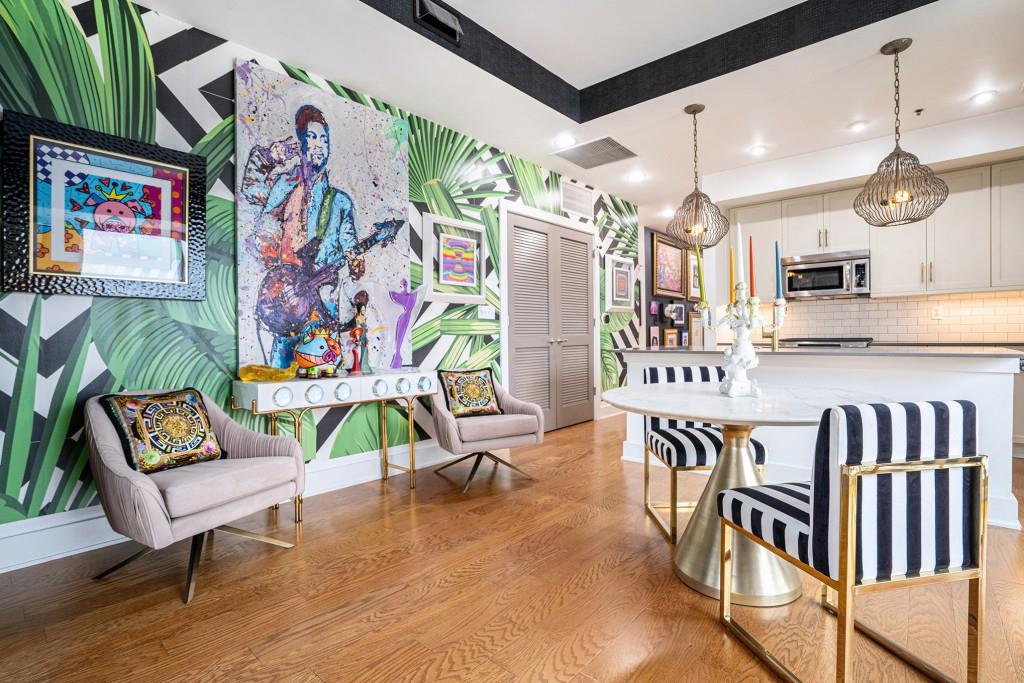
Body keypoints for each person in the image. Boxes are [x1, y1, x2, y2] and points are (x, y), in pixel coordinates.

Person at [241, 104, 365, 367]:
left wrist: (356, 262)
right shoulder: (284, 185)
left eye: (324, 139)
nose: (319, 145)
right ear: (300, 143)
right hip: (286, 304)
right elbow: (250, 190)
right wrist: (272, 156)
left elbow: (351, 248)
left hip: (323, 309)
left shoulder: (340, 201)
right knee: (280, 374)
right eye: (312, 137)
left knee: (326, 375)